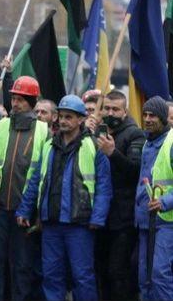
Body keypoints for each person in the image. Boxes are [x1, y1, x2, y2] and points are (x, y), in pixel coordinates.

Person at [16, 94, 112, 301]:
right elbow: (35, 180)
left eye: (69, 117)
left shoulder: (94, 146)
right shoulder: (49, 146)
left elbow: (104, 186)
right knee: (51, 276)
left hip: (80, 224)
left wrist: (98, 217)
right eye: (61, 116)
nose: (64, 121)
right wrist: (25, 209)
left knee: (82, 277)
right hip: (51, 223)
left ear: (81, 120)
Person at [0, 76, 48, 301]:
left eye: (21, 99)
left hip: (25, 211)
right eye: (13, 98)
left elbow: (44, 175)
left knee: (22, 267)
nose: (15, 103)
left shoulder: (43, 131)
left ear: (32, 101)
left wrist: (35, 210)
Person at [94, 90, 145, 300]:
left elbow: (135, 170)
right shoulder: (98, 132)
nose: (110, 113)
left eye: (115, 109)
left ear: (124, 111)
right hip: (99, 215)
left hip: (122, 218)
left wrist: (113, 153)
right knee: (100, 271)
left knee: (118, 273)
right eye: (106, 108)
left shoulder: (135, 134)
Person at [134, 96, 173, 301]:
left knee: (160, 276)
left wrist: (164, 202)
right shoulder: (147, 143)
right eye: (145, 114)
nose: (148, 119)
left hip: (167, 221)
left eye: (153, 115)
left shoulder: (171, 141)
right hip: (145, 221)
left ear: (163, 119)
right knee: (145, 279)